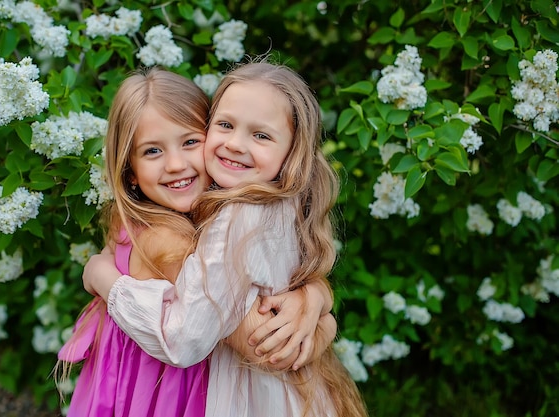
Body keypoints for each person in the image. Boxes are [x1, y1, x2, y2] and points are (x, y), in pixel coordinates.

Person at [84, 61, 368, 417]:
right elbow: (261, 343)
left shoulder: (238, 212)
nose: (175, 165)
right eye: (153, 150)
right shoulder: (173, 243)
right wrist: (103, 278)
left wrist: (317, 301)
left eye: (190, 142)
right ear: (130, 171)